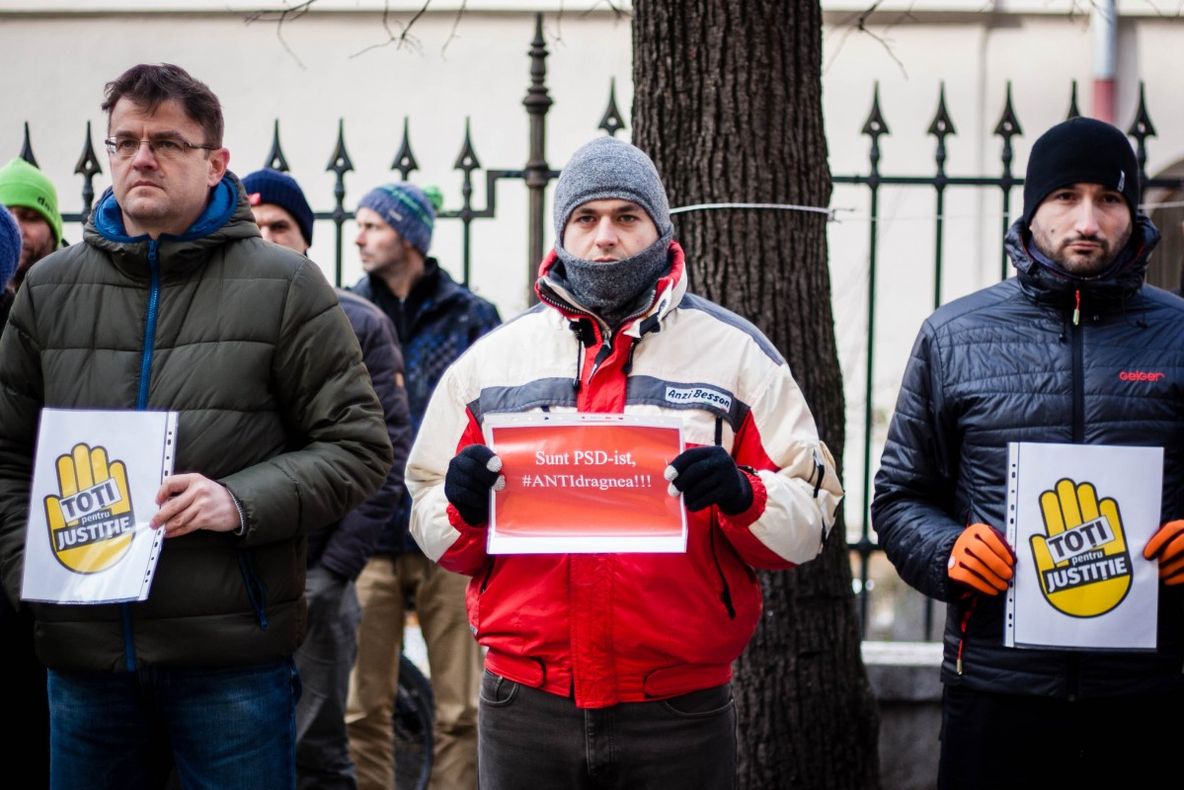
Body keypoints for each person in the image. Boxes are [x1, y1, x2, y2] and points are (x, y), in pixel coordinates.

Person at [404, 137, 843, 789]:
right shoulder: (492, 363)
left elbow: (812, 520)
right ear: (563, 231)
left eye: (626, 217)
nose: (605, 237)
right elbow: (428, 512)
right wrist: (460, 508)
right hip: (525, 705)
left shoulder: (738, 359)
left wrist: (745, 494)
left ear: (660, 229)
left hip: (678, 711)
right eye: (586, 218)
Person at [0, 63, 393, 790]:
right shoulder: (48, 290)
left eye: (166, 142)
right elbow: (6, 457)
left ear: (216, 164)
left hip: (228, 660)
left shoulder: (285, 285)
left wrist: (237, 501)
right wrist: (29, 569)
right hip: (85, 661)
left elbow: (359, 446)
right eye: (124, 142)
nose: (140, 157)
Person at [871, 116, 1184, 790]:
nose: (1088, 219)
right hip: (996, 692)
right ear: (1032, 209)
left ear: (1132, 213)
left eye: (1108, 198)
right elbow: (900, 496)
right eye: (1065, 196)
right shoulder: (954, 335)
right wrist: (947, 550)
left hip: (1151, 695)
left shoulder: (1179, 334)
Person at [242, 166, 414, 790]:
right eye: (254, 224)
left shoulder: (359, 321)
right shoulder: (215, 319)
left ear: (306, 237)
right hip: (233, 570)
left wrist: (336, 568)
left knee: (318, 746)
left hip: (321, 572)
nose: (266, 236)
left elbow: (386, 453)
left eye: (280, 226)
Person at [347, 181, 499, 790]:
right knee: (362, 709)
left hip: (452, 534)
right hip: (371, 533)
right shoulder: (347, 312)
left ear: (408, 235)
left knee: (462, 710)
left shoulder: (471, 315)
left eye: (373, 225)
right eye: (356, 224)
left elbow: (494, 418)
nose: (358, 236)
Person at [0, 156, 63, 292]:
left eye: (30, 217)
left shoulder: (78, 291)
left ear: (53, 230)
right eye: (4, 221)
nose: (16, 230)